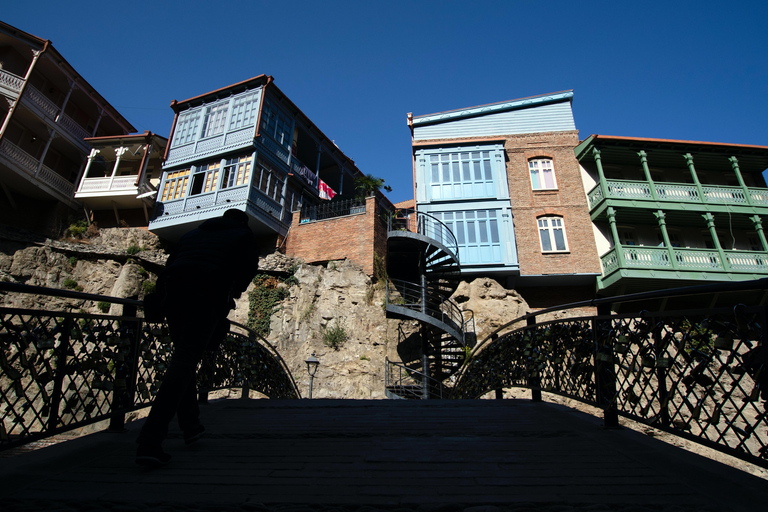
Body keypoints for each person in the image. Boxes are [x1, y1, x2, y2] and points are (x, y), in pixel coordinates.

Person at [136, 209, 259, 467]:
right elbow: (246, 273)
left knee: (183, 359)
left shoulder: (192, 234)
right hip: (206, 295)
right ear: (241, 222)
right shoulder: (243, 235)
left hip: (174, 295)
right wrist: (230, 293)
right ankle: (150, 439)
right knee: (184, 362)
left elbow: (170, 265)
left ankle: (190, 426)